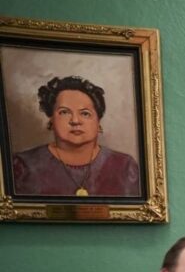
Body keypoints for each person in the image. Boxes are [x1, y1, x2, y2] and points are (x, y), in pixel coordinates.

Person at [12, 75, 140, 197]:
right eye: (64, 112)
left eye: (85, 113)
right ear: (51, 119)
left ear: (98, 121)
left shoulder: (125, 167)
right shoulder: (23, 166)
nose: (75, 121)